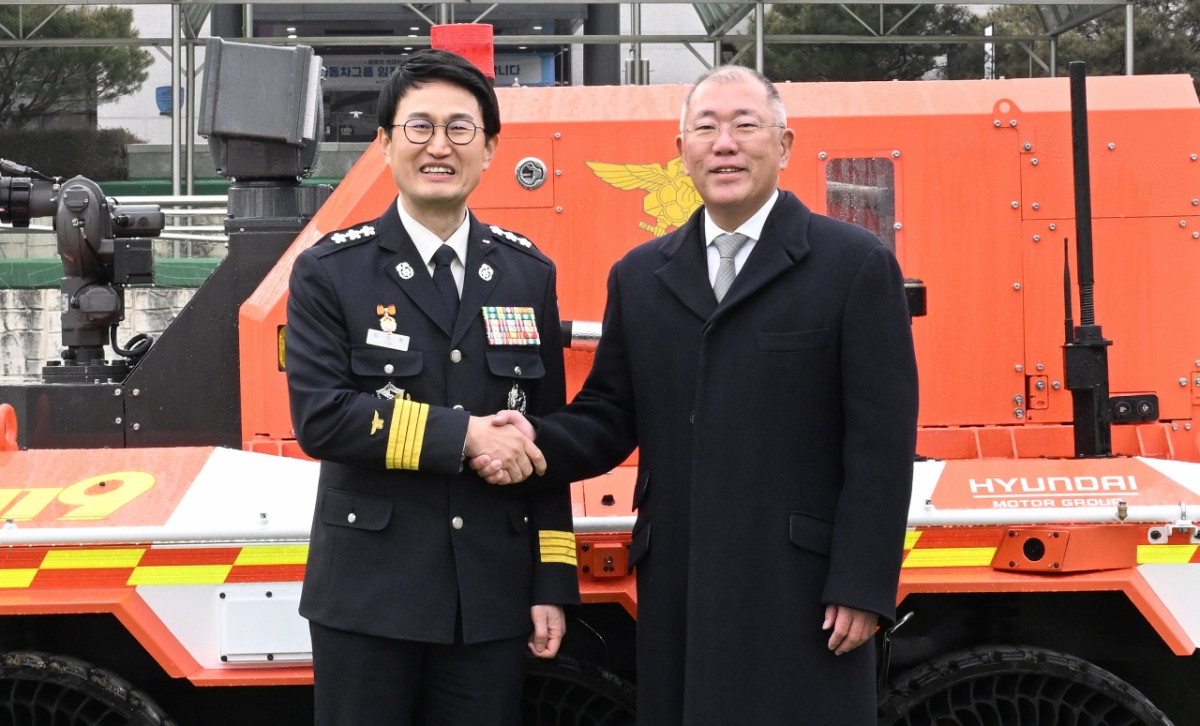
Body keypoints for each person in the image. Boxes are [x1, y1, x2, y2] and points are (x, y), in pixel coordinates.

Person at [476, 65, 919, 726]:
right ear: (680, 151)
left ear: (786, 145)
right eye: (705, 129)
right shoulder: (641, 277)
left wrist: (863, 584)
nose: (725, 144)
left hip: (801, 587)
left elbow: (881, 439)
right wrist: (527, 439)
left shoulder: (852, 264)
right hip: (681, 584)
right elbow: (610, 415)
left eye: (745, 126)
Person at [286, 48, 579, 726]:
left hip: (492, 598)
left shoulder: (526, 273)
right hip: (368, 598)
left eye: (460, 128)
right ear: (385, 144)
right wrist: (467, 434)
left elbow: (548, 440)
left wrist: (551, 582)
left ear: (491, 148)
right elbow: (323, 418)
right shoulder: (331, 271)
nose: (438, 146)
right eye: (419, 127)